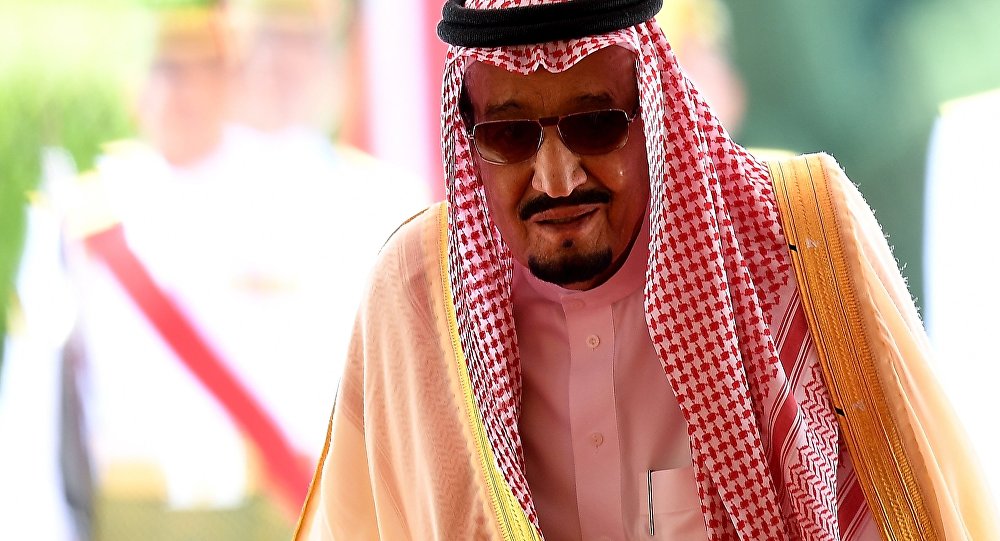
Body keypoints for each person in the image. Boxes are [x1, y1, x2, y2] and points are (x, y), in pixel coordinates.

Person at [295, 0, 998, 540]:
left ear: (654, 111)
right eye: (509, 135)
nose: (557, 177)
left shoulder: (799, 244)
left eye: (595, 124)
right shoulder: (415, 294)